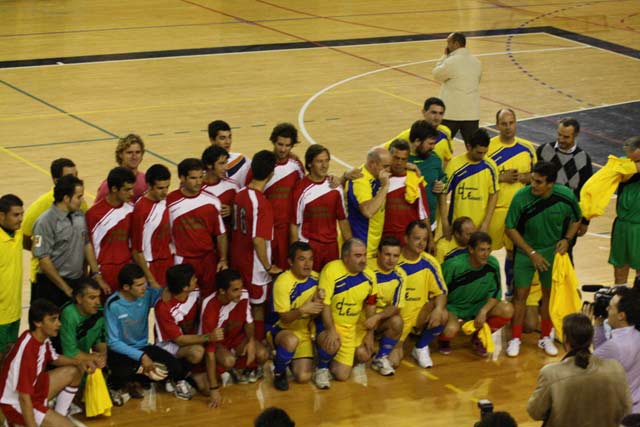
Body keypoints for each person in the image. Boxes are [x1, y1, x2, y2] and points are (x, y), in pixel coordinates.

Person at [505, 161, 582, 357]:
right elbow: (510, 227)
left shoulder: (565, 196)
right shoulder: (521, 197)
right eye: (532, 180)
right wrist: (531, 253)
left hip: (550, 252)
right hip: (524, 252)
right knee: (520, 295)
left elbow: (577, 219)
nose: (533, 185)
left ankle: (546, 336)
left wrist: (567, 239)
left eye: (538, 182)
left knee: (548, 295)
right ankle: (515, 339)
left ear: (550, 184)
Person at [528, 313, 631, 427]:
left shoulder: (550, 373)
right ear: (591, 339)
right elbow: (627, 410)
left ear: (565, 339)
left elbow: (535, 412)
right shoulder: (615, 368)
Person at [0, 299, 90, 427]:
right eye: (53, 320)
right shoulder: (27, 353)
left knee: (74, 371)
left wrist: (80, 362)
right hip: (15, 404)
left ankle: (60, 415)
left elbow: (54, 358)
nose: (59, 324)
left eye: (58, 319)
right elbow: (24, 398)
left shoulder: (40, 337)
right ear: (38, 323)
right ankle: (14, 422)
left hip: (33, 390)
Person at [105, 264, 187, 402]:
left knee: (175, 367)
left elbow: (165, 293)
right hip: (121, 350)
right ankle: (114, 386)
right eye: (139, 285)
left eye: (145, 283)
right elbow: (113, 342)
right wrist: (141, 356)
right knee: (123, 371)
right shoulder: (113, 304)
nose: (144, 287)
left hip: (143, 346)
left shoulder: (146, 294)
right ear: (126, 287)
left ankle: (136, 381)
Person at [32, 175, 108, 307]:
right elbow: (44, 260)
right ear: (66, 198)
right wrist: (65, 288)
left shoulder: (79, 215)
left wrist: (96, 274)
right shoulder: (45, 222)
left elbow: (86, 244)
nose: (82, 200)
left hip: (76, 283)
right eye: (79, 196)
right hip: (52, 286)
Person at [313, 239, 378, 389]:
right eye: (357, 255)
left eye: (364, 255)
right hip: (328, 324)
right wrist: (330, 330)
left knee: (342, 375)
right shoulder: (331, 270)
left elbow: (371, 306)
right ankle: (321, 368)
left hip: (350, 329)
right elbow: (325, 304)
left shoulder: (370, 276)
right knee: (333, 342)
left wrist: (370, 333)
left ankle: (326, 358)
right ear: (345, 257)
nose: (363, 260)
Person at [231, 150, 280, 342]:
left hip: (238, 259)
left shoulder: (240, 194)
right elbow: (258, 240)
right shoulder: (262, 203)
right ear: (271, 173)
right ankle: (256, 348)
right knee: (257, 309)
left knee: (240, 307)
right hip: (254, 267)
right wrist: (269, 266)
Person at [439, 232, 513, 356]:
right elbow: (439, 291)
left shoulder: (493, 264)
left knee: (507, 309)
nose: (486, 254)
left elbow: (495, 294)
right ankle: (443, 340)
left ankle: (478, 336)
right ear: (471, 250)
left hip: (478, 305)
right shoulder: (453, 266)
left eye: (489, 249)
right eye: (482, 250)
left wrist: (483, 311)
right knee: (450, 330)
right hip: (454, 308)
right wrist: (441, 311)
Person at [487, 109, 537, 289]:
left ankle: (511, 291)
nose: (508, 127)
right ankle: (489, 292)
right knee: (484, 253)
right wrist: (501, 178)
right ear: (497, 125)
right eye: (504, 124)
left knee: (513, 253)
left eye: (511, 123)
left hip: (517, 212)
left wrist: (526, 177)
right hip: (493, 212)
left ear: (516, 123)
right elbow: (479, 176)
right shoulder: (489, 148)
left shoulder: (527, 148)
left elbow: (536, 178)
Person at [246, 123, 304, 270]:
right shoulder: (261, 164)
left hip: (287, 231)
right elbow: (250, 193)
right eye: (280, 144)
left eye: (287, 145)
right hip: (265, 231)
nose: (283, 149)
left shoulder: (296, 165)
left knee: (286, 271)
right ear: (273, 141)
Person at [22, 158, 88, 288]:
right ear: (56, 181)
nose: (75, 180)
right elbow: (24, 239)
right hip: (46, 279)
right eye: (70, 177)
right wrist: (52, 251)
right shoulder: (39, 208)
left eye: (76, 175)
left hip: (74, 276)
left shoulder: (81, 205)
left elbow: (85, 239)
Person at [167, 158, 228, 297]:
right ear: (182, 178)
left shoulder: (212, 201)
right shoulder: (169, 202)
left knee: (209, 299)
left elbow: (221, 234)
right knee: (186, 302)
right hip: (183, 260)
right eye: (193, 178)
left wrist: (223, 259)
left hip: (208, 260)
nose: (199, 182)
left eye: (201, 177)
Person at [200, 269, 269, 390]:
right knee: (228, 361)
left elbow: (249, 322)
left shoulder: (244, 295)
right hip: (217, 344)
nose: (240, 293)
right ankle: (227, 369)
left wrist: (251, 342)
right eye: (235, 290)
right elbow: (209, 346)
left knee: (263, 354)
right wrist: (213, 387)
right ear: (222, 291)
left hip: (237, 338)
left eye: (240, 288)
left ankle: (241, 370)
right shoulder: (210, 305)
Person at [270, 241, 324, 391]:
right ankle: (279, 372)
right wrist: (302, 310)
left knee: (303, 377)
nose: (307, 264)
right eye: (302, 259)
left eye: (311, 259)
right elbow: (284, 318)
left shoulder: (317, 278)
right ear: (290, 262)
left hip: (304, 332)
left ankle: (285, 358)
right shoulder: (283, 282)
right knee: (291, 340)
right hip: (281, 329)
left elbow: (321, 310)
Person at [393, 221, 447, 367]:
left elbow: (441, 292)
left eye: (424, 239)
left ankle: (421, 347)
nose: (421, 243)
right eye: (417, 238)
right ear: (406, 238)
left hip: (418, 316)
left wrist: (438, 309)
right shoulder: (394, 260)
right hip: (397, 319)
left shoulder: (430, 262)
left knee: (442, 314)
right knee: (393, 362)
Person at [290, 144, 352, 272]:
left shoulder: (335, 188)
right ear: (309, 164)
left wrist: (350, 249)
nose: (324, 166)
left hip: (331, 248)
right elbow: (294, 225)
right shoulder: (300, 190)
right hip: (310, 249)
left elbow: (343, 221)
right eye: (319, 161)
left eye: (326, 161)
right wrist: (295, 255)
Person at [154, 264, 208, 400]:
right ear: (184, 287)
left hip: (187, 338)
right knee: (197, 351)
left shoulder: (195, 291)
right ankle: (176, 378)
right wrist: (208, 337)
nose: (196, 280)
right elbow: (179, 340)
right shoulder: (163, 308)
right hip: (168, 345)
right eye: (193, 279)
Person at [354, 237, 406, 375]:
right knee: (362, 356)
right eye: (387, 254)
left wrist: (377, 317)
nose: (391, 259)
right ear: (378, 253)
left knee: (397, 321)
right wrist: (368, 332)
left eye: (395, 256)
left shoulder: (400, 275)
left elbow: (396, 307)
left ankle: (380, 357)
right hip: (359, 322)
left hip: (377, 321)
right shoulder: (365, 269)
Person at [440, 128, 499, 239]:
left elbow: (494, 194)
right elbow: (443, 193)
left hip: (479, 227)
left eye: (484, 152)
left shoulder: (491, 166)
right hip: (457, 227)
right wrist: (445, 223)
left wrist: (486, 222)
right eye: (478, 152)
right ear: (469, 147)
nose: (482, 156)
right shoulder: (454, 165)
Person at [86, 166, 135, 293]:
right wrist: (97, 276)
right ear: (114, 189)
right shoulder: (93, 214)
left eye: (132, 189)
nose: (132, 193)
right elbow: (89, 247)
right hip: (104, 272)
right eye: (127, 189)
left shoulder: (132, 210)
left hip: (126, 270)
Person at [593, 287, 640, 412]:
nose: (607, 309)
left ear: (621, 316)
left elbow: (588, 364)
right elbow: (603, 352)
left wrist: (582, 330)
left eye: (611, 307)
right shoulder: (636, 335)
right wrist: (598, 324)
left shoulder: (615, 346)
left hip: (619, 412)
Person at [432, 32, 482, 145]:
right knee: (473, 148)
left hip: (452, 113)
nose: (447, 45)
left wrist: (444, 56)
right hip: (471, 114)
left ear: (456, 44)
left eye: (448, 42)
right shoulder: (477, 62)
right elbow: (477, 80)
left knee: (441, 146)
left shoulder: (451, 61)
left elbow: (436, 74)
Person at [131, 164, 173, 287]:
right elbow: (136, 250)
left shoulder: (167, 201)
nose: (165, 192)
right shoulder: (141, 209)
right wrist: (151, 279)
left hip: (168, 262)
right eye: (160, 188)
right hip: (150, 266)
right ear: (149, 186)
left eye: (167, 187)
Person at [383, 139, 431, 247]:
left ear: (407, 160)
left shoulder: (415, 180)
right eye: (396, 158)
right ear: (389, 156)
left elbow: (423, 214)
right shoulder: (380, 177)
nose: (399, 162)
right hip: (384, 240)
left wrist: (430, 240)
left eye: (403, 159)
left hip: (408, 242)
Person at [346, 147, 391, 258]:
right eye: (385, 167)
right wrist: (385, 187)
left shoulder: (378, 175)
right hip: (361, 250)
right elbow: (368, 211)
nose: (389, 171)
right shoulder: (360, 180)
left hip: (373, 247)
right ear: (372, 164)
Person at [608, 136, 640, 286]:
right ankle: (619, 300)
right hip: (622, 223)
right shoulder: (624, 162)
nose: (629, 158)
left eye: (631, 155)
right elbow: (624, 175)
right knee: (620, 268)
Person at [536, 118, 593, 201]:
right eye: (559, 134)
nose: (561, 139)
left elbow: (586, 188)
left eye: (566, 137)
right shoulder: (544, 150)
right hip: (542, 204)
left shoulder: (583, 158)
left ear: (576, 135)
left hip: (567, 206)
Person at [59, 279, 107, 375]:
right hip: (63, 361)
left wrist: (102, 357)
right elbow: (70, 353)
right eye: (92, 298)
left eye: (98, 297)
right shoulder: (69, 314)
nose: (97, 302)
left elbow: (100, 340)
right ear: (79, 299)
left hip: (85, 359)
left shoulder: (99, 312)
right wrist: (94, 358)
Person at [387, 97, 454, 164]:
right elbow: (385, 152)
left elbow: (447, 158)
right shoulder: (408, 134)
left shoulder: (446, 132)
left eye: (441, 113)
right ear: (424, 112)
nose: (437, 117)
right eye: (433, 113)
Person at [0, 194, 24, 363]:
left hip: (14, 312)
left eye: (22, 214)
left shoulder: (18, 233)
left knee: (9, 358)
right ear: (2, 216)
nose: (20, 219)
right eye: (16, 215)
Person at [95, 134, 147, 203]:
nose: (134, 157)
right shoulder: (108, 185)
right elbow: (97, 210)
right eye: (129, 152)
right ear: (120, 154)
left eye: (137, 152)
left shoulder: (145, 180)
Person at [202, 145, 240, 232]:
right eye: (221, 163)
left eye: (226, 162)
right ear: (209, 165)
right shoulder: (197, 189)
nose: (226, 168)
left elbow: (242, 213)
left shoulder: (233, 186)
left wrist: (232, 211)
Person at [208, 119, 251, 187]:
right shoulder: (204, 168)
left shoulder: (241, 159)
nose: (228, 142)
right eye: (222, 138)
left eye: (229, 137)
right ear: (212, 140)